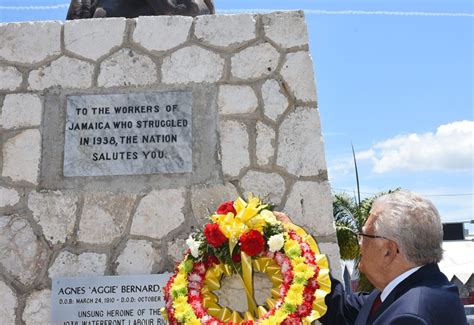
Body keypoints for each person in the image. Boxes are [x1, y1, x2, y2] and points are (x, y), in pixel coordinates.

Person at [275, 190, 467, 324]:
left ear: (388, 251)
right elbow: (339, 307)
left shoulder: (411, 315)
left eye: (364, 235)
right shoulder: (400, 293)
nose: (359, 243)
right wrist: (295, 246)